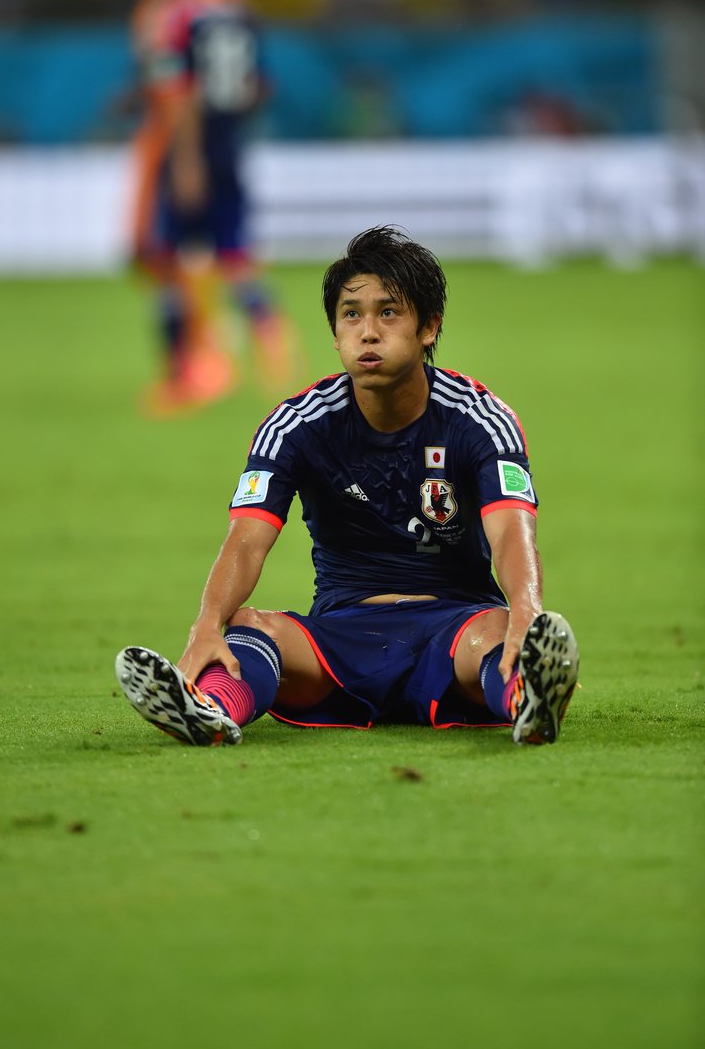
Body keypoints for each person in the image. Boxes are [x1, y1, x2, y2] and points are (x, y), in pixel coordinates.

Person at [116, 226, 579, 747]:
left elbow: (512, 534)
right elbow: (245, 541)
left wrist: (527, 614)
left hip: (456, 628)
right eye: (351, 315)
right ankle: (208, 710)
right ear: (335, 334)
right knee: (248, 626)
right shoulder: (295, 424)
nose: (368, 332)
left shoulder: (478, 418)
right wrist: (205, 625)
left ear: (429, 327)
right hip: (339, 638)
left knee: (498, 633)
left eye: (388, 312)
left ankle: (527, 697)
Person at [129, 0, 299, 415]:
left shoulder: (177, 17)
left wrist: (186, 158)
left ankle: (180, 375)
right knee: (235, 257)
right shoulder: (238, 9)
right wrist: (227, 132)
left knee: (165, 261)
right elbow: (258, 86)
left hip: (188, 152)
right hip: (229, 149)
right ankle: (273, 345)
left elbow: (177, 93)